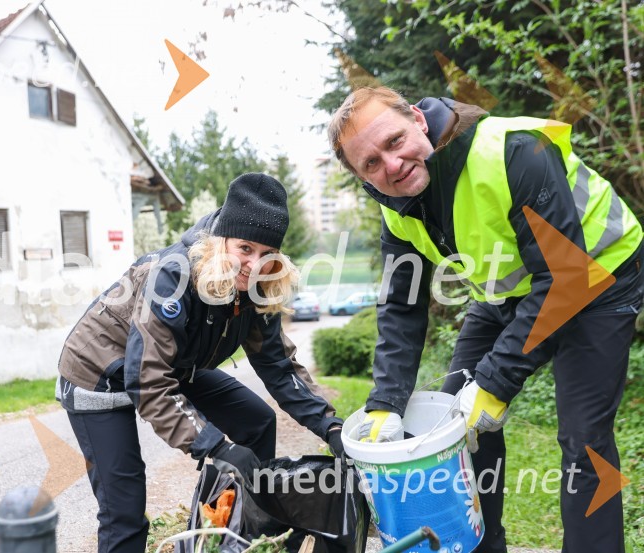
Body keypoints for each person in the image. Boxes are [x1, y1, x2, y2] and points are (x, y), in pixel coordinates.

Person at [327, 87, 642, 553]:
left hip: (597, 276)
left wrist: (495, 382)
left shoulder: (515, 152)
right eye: (370, 164)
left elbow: (565, 278)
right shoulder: (394, 204)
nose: (390, 166)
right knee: (453, 422)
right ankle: (483, 545)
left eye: (393, 142)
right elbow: (401, 303)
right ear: (360, 175)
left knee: (584, 441)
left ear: (417, 119)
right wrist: (385, 401)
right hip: (511, 291)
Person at [56, 172, 346, 553]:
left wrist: (330, 426)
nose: (254, 264)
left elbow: (279, 367)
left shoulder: (257, 288)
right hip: (99, 376)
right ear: (222, 239)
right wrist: (215, 447)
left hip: (173, 364)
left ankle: (234, 536)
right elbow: (148, 381)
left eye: (267, 254)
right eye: (245, 248)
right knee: (124, 507)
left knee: (257, 422)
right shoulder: (174, 275)